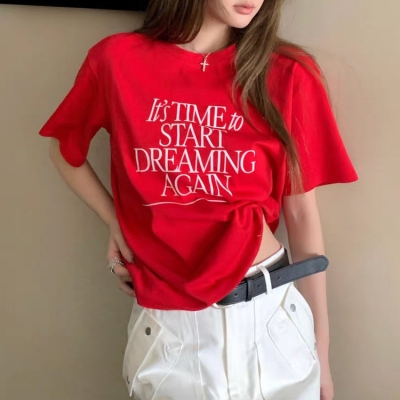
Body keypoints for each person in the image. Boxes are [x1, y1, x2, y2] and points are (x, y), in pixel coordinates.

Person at [38, 1, 358, 399]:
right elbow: (64, 151)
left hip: (271, 322)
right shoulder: (117, 60)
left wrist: (321, 351)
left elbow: (302, 215)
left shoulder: (287, 73)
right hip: (171, 332)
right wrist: (116, 220)